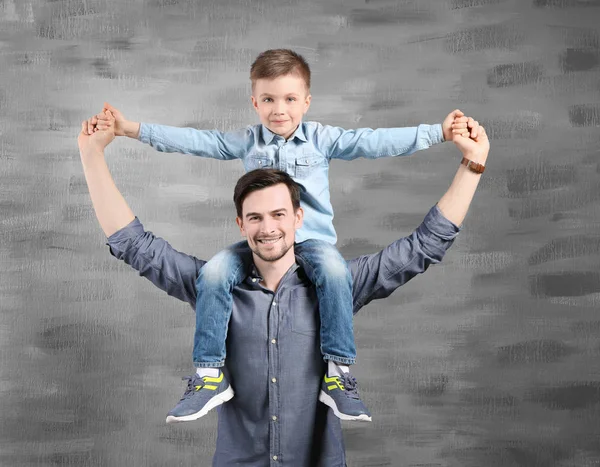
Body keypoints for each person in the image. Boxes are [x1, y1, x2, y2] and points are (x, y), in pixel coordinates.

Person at [85, 48, 480, 423]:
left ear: (306, 102)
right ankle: (208, 373)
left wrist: (438, 133)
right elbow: (194, 141)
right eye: (269, 100)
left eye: (290, 100)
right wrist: (130, 129)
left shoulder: (323, 139)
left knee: (336, 272)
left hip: (314, 245)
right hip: (259, 250)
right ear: (255, 103)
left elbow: (375, 141)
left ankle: (338, 371)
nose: (279, 110)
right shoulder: (245, 141)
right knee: (214, 274)